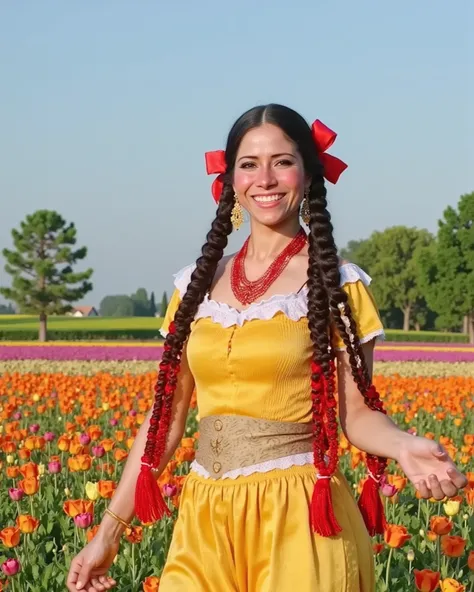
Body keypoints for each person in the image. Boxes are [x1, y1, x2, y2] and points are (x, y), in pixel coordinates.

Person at [67, 104, 467, 592]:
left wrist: (403, 444)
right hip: (203, 520)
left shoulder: (338, 285)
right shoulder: (193, 287)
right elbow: (164, 421)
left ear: (308, 173)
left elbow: (357, 415)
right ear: (231, 179)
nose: (266, 178)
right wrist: (108, 533)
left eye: (282, 161)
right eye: (250, 163)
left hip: (299, 516)